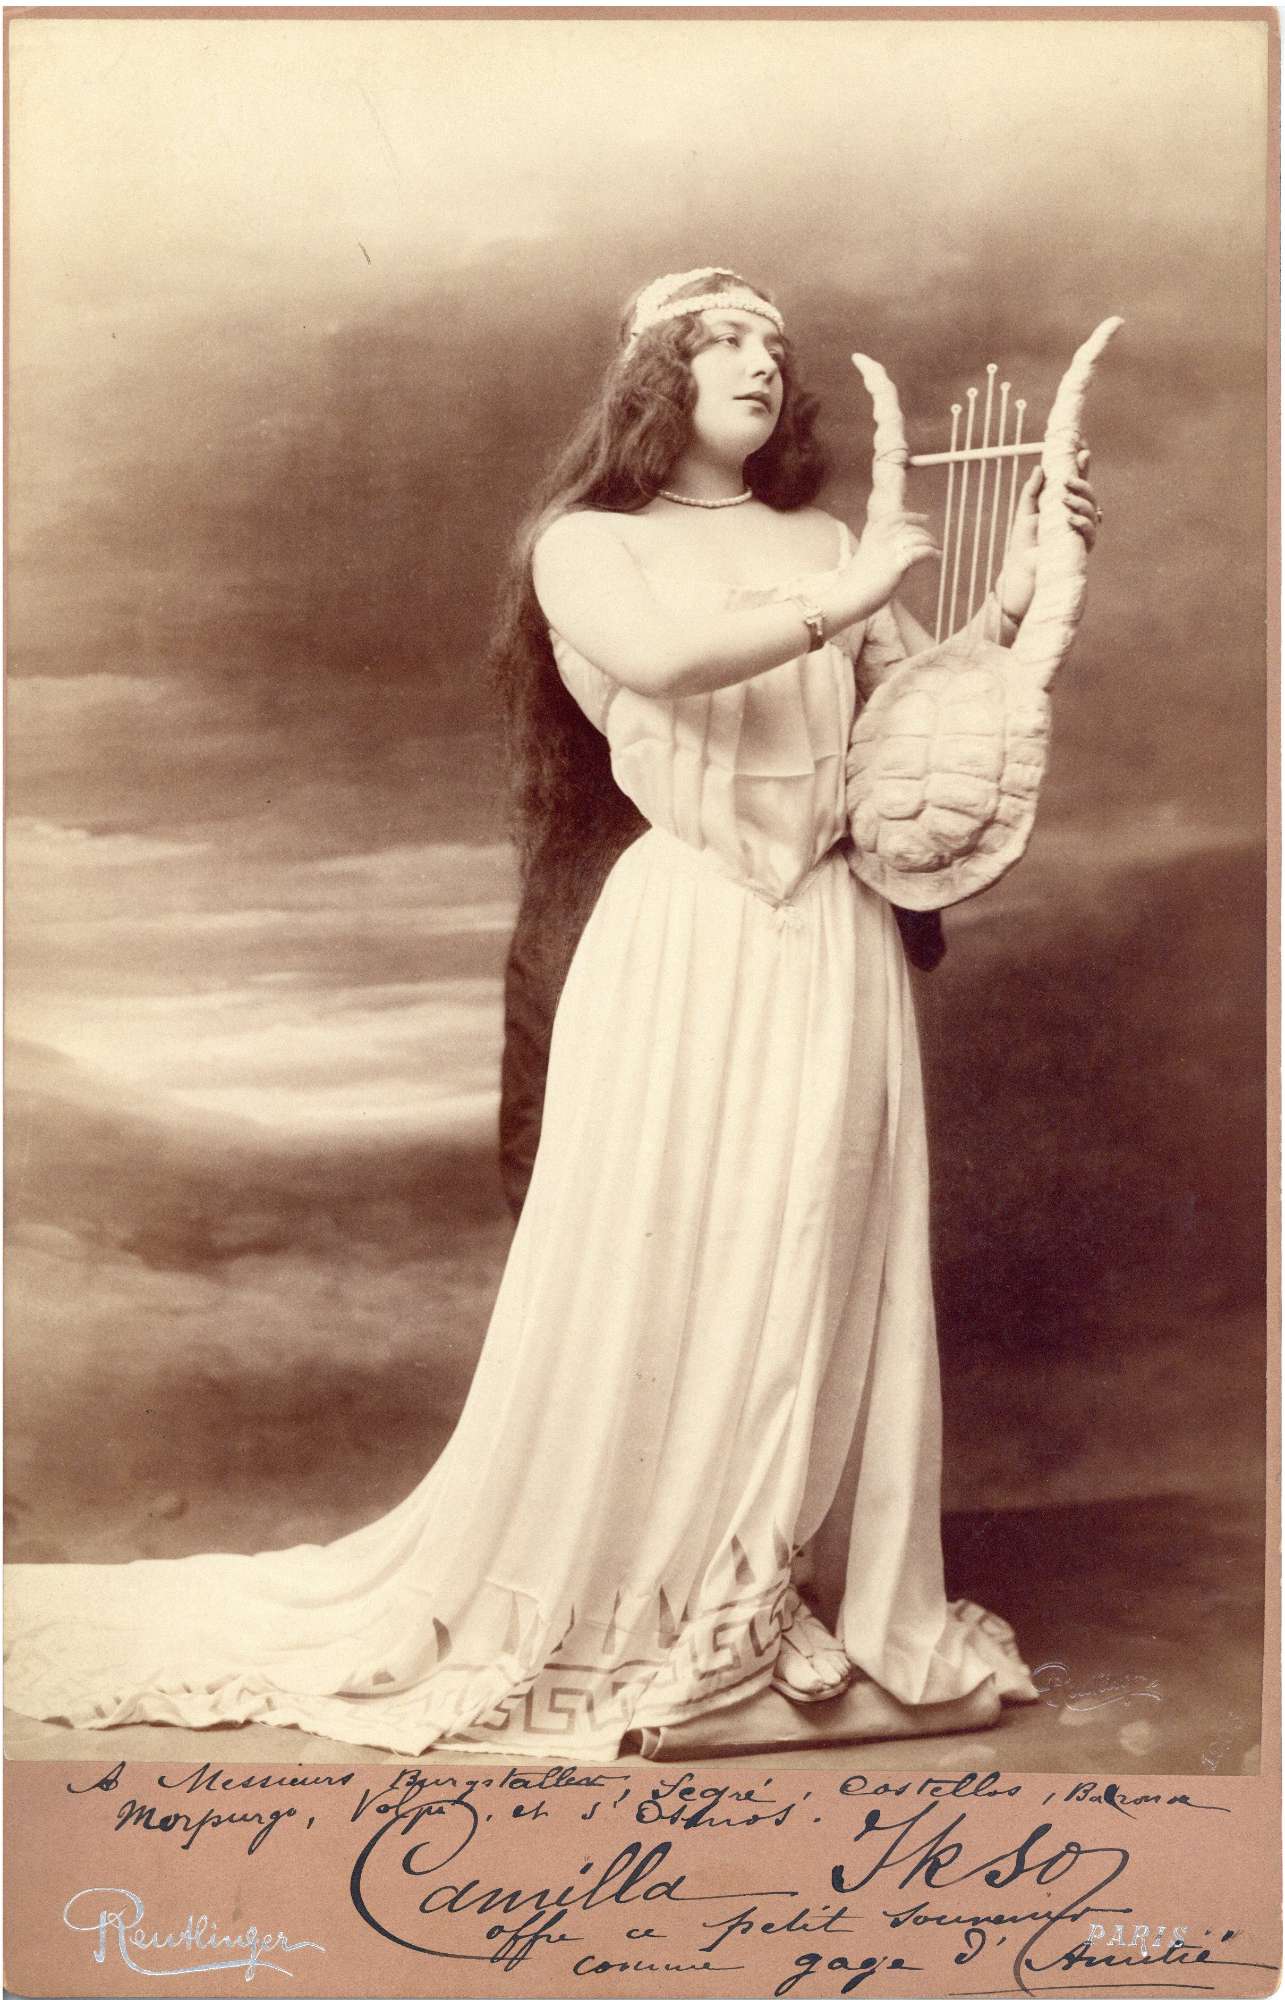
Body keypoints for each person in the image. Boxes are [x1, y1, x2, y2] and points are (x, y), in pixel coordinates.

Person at [3, 267, 1099, 1760]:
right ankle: (663, 1600)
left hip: (829, 936)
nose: (759, 363)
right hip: (690, 933)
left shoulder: (824, 538)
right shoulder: (586, 546)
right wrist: (851, 595)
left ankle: (771, 1588)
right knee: (678, 1244)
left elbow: (921, 701)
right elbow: (663, 663)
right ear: (654, 377)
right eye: (721, 341)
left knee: (812, 1242)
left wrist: (1026, 585)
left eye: (772, 345)